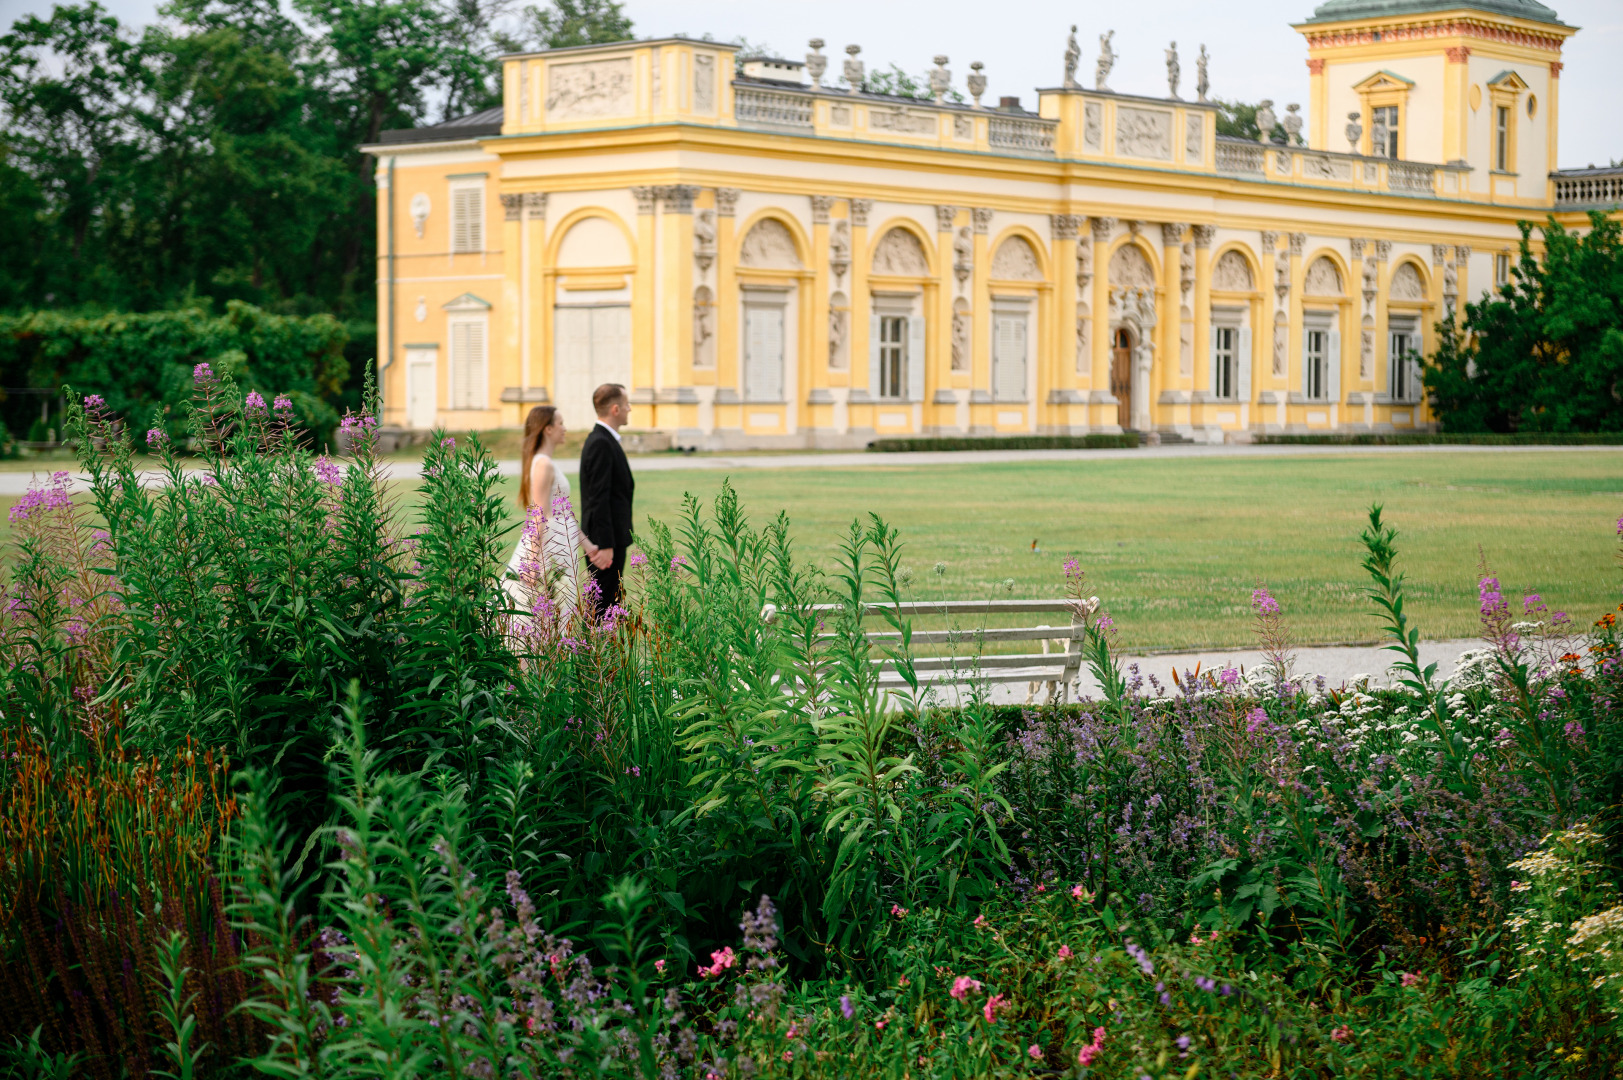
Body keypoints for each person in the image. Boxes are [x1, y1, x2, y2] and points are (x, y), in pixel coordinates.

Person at [506, 405, 595, 621]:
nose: (564, 428)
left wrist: (587, 546)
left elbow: (564, 512)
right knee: (544, 608)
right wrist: (533, 561)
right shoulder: (543, 464)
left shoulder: (546, 462)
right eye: (560, 423)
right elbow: (539, 515)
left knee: (559, 606)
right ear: (547, 429)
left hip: (560, 540)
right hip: (549, 545)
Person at [578, 383, 635, 612]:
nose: (629, 409)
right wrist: (605, 545)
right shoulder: (601, 443)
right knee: (602, 608)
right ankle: (590, 649)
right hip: (605, 544)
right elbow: (598, 498)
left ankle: (601, 648)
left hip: (611, 539)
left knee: (609, 605)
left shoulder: (606, 440)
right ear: (615, 409)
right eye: (626, 404)